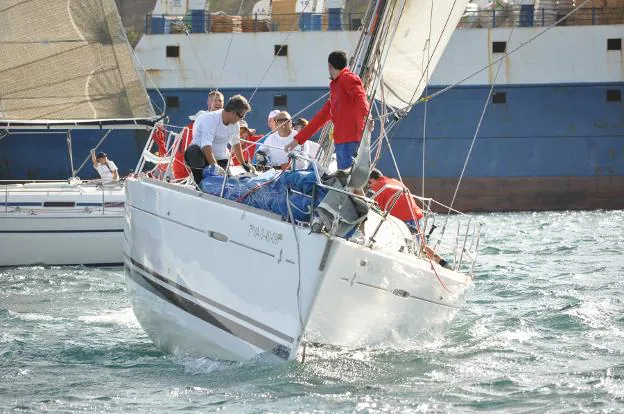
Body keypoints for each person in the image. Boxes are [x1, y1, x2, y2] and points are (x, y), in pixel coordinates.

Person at [285, 50, 370, 172]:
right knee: (350, 181)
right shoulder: (336, 86)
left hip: (351, 140)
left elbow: (360, 98)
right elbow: (321, 117)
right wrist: (298, 140)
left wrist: (367, 116)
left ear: (329, 66)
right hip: (342, 141)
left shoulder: (348, 79)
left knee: (348, 179)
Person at [368, 168, 449, 268]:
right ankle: (443, 263)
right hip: (416, 216)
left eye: (369, 184)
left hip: (403, 220)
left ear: (372, 180)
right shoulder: (395, 181)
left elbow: (376, 209)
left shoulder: (378, 186)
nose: (370, 187)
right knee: (421, 247)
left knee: (408, 247)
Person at [184, 94, 253, 184]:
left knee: (230, 182)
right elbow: (206, 146)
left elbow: (236, 143)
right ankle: (200, 185)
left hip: (220, 159)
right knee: (193, 151)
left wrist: (243, 164)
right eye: (241, 116)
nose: (242, 119)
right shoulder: (211, 118)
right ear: (233, 112)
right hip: (201, 156)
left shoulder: (235, 125)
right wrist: (215, 167)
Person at [172, 91, 225, 180]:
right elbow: (202, 145)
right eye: (215, 100)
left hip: (184, 167)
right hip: (195, 162)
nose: (218, 103)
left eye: (220, 101)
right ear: (208, 102)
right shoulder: (203, 120)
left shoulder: (187, 129)